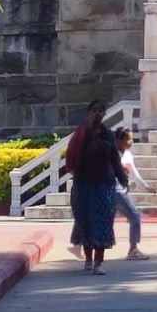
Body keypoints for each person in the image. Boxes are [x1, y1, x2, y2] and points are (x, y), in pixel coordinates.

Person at [65, 99, 128, 273]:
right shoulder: (81, 134)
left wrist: (122, 177)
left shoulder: (108, 135)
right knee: (85, 221)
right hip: (83, 183)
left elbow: (114, 158)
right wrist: (89, 133)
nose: (97, 114)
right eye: (94, 110)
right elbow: (74, 156)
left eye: (101, 111)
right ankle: (88, 259)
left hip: (104, 183)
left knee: (102, 222)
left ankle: (99, 263)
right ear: (88, 113)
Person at [114, 126, 155, 259]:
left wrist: (146, 187)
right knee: (135, 215)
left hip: (122, 191)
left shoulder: (128, 155)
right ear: (118, 140)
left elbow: (134, 174)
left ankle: (133, 248)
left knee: (134, 216)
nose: (130, 142)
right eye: (126, 139)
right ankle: (133, 249)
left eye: (131, 139)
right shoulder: (112, 155)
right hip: (112, 190)